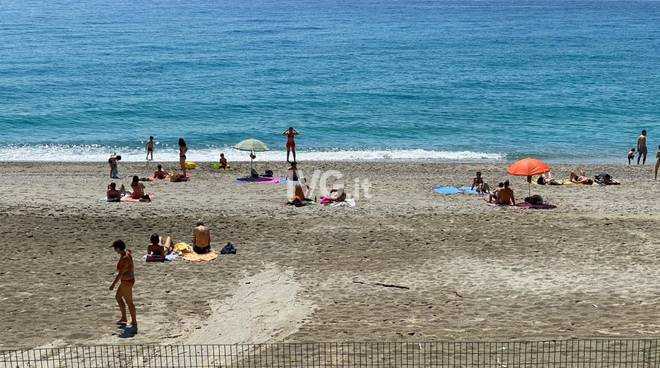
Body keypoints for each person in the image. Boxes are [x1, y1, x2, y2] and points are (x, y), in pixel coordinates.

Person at [109, 240, 137, 333]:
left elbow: (120, 273)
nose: (114, 250)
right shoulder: (127, 252)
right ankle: (124, 318)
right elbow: (130, 251)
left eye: (115, 248)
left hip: (127, 281)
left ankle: (134, 321)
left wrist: (113, 284)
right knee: (118, 297)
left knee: (129, 302)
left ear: (118, 248)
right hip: (127, 280)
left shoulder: (125, 258)